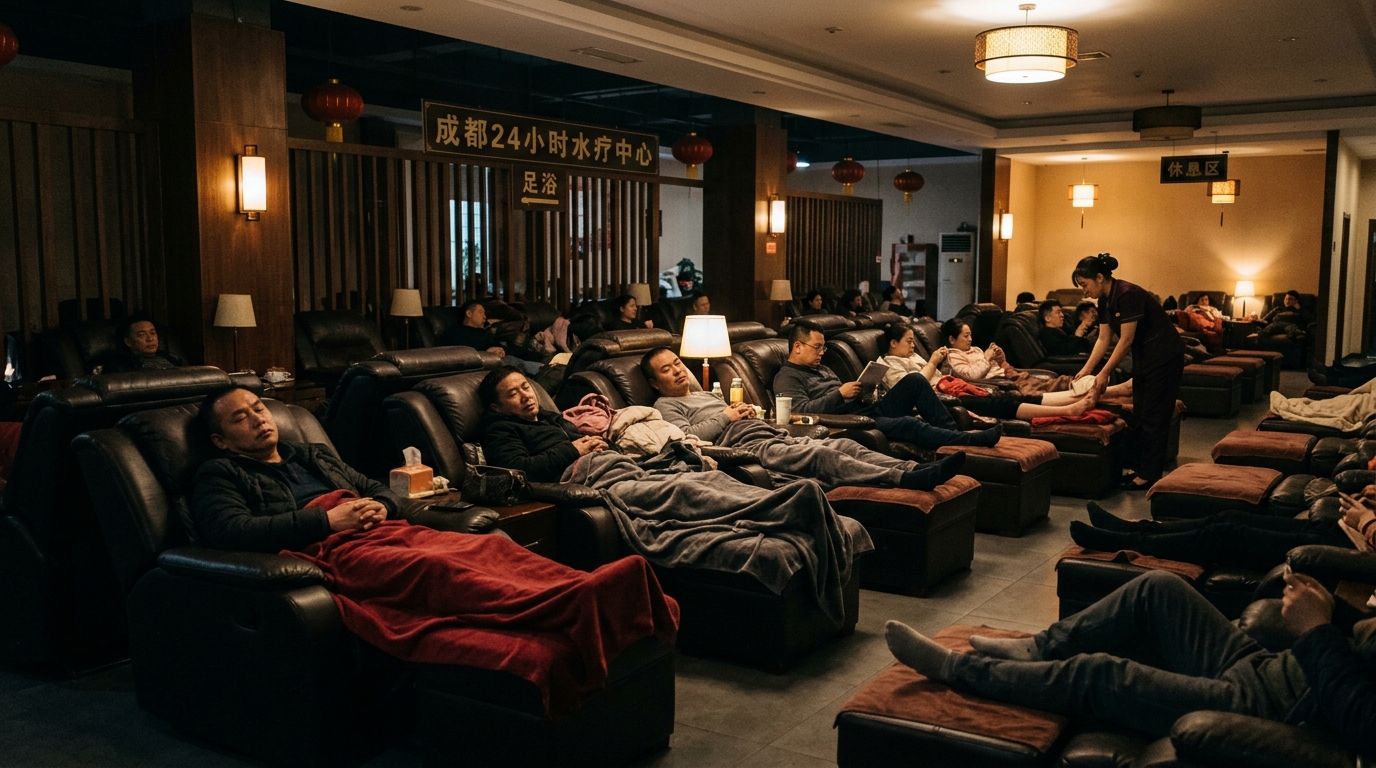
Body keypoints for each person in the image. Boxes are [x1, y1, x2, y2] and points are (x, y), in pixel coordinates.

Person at [189, 385, 677, 719]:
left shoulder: (311, 454)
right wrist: (327, 519)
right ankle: (567, 605)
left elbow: (381, 490)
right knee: (435, 565)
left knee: (487, 548)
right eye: (241, 418)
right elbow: (228, 530)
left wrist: (378, 505)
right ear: (220, 440)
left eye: (258, 408)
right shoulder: (221, 475)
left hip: (382, 529)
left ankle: (578, 587)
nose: (258, 419)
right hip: (332, 548)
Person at [478, 365, 872, 625]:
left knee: (702, 481)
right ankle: (784, 503)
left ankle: (779, 505)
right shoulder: (501, 431)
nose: (526, 395)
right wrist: (575, 450)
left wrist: (595, 440)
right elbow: (522, 472)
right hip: (593, 479)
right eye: (513, 394)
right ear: (498, 405)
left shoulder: (549, 417)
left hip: (624, 464)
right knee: (680, 491)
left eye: (525, 387)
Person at [884, 569, 1376, 757]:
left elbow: (1364, 723)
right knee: (1157, 587)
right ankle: (1040, 647)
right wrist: (1334, 610)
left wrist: (1316, 630)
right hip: (1275, 665)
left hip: (1270, 707)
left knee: (1102, 673)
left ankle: (957, 670)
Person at [641, 347, 966, 492]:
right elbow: (685, 439)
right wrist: (727, 415)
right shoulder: (664, 406)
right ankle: (903, 481)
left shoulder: (706, 395)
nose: (677, 371)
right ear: (655, 382)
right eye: (666, 369)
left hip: (765, 430)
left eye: (677, 363)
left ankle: (914, 468)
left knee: (840, 443)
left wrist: (743, 412)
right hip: (744, 445)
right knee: (820, 454)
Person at [771, 322, 1001, 449]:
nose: (822, 352)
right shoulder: (788, 376)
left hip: (865, 407)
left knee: (916, 380)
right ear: (798, 346)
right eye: (817, 347)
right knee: (909, 423)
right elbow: (798, 413)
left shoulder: (822, 369)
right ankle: (968, 441)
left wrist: (864, 390)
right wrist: (840, 395)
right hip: (849, 420)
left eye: (823, 348)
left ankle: (952, 434)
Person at [1072, 254, 1184, 490]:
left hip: (1164, 354)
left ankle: (1148, 475)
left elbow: (1125, 340)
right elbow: (1103, 338)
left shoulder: (1127, 294)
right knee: (1141, 412)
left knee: (1155, 414)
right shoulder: (1104, 301)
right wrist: (1086, 370)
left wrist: (1104, 374)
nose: (1084, 291)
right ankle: (1141, 468)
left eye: (1085, 284)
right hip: (1145, 355)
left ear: (1100, 277)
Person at [878, 323, 1102, 422]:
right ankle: (1071, 408)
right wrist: (934, 362)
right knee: (1002, 403)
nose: (913, 346)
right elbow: (914, 386)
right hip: (941, 399)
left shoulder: (913, 357)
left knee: (1011, 397)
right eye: (908, 342)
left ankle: (1077, 401)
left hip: (954, 389)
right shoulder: (888, 364)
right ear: (893, 343)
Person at [1068, 499, 1365, 573]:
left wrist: (1367, 522)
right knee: (1228, 517)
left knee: (1226, 534)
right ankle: (1135, 528)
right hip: (1349, 534)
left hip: (1354, 554)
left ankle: (1128, 542)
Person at [437, 300, 542, 376]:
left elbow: (505, 348)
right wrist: (485, 353)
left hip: (505, 358)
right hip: (488, 364)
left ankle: (548, 366)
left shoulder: (484, 332)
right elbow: (452, 355)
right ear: (469, 313)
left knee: (526, 357)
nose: (485, 316)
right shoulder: (454, 332)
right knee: (522, 365)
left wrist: (502, 350)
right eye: (480, 312)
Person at [103, 313, 186, 373]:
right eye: (141, 335)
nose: (150, 339)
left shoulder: (173, 358)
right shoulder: (121, 365)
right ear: (128, 342)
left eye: (153, 333)